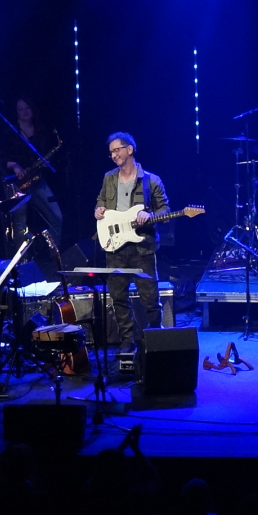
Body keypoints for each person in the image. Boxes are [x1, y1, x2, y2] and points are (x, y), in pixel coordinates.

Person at [94, 132, 170, 353]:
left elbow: (164, 209)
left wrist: (150, 215)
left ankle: (155, 338)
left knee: (149, 297)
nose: (114, 155)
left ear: (130, 149)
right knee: (118, 296)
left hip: (142, 247)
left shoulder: (151, 180)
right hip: (114, 245)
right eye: (111, 152)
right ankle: (127, 340)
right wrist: (98, 209)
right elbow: (101, 200)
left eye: (117, 150)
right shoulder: (109, 178)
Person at [0, 97, 65, 251]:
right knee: (20, 226)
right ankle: (22, 263)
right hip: (18, 184)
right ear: (16, 112)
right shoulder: (10, 132)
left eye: (27, 108)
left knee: (57, 217)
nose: (25, 112)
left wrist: (47, 163)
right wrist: (14, 165)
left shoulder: (41, 130)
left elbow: (49, 152)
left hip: (38, 181)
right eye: (20, 109)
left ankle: (53, 257)